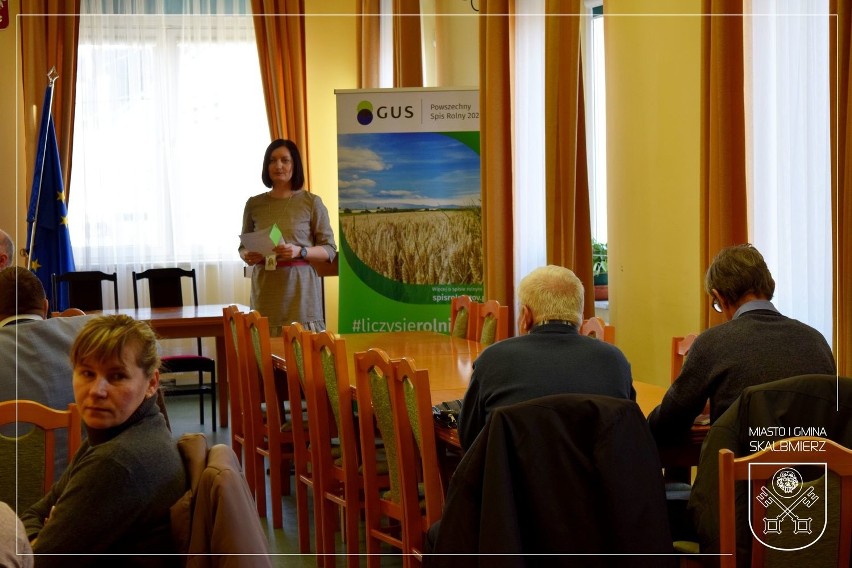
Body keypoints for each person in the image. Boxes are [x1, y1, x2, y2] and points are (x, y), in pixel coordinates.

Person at [20, 315, 186, 566]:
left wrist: (44, 534)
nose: (97, 390)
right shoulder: (128, 430)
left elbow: (35, 562)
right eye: (87, 373)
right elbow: (35, 512)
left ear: (151, 383)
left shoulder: (118, 462)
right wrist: (43, 532)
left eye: (117, 376)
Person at [647, 244, 836, 443]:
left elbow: (668, 425)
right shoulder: (817, 340)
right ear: (769, 286)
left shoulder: (712, 343)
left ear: (720, 297)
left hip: (742, 472)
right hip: (815, 471)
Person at [457, 264, 635, 450]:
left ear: (526, 316)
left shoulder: (493, 360)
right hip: (598, 478)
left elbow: (470, 439)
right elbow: (626, 434)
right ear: (580, 317)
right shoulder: (615, 361)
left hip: (512, 478)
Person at [240, 139, 337, 336]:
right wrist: (247, 255)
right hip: (266, 290)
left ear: (295, 165)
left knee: (303, 358)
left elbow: (329, 249)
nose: (278, 166)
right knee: (266, 357)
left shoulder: (312, 202)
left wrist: (300, 251)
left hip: (301, 293)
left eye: (285, 160)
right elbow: (242, 247)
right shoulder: (254, 204)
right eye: (272, 160)